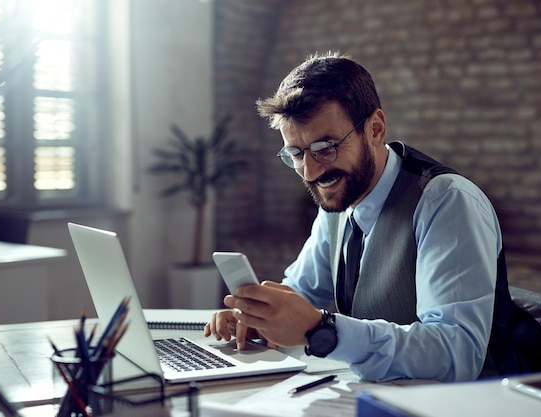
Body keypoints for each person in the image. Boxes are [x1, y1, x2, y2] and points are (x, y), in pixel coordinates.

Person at [204, 52, 521, 382]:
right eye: (296, 153)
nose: (310, 172)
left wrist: (322, 330)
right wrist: (262, 318)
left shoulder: (448, 202)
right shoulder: (338, 200)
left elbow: (457, 356)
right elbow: (301, 293)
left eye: (326, 147)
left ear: (375, 129)